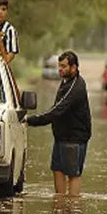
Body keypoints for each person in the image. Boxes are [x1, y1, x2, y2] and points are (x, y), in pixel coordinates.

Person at [23, 51, 91, 196]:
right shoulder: (66, 81)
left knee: (73, 174)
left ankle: (73, 210)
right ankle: (60, 205)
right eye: (59, 66)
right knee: (58, 170)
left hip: (74, 138)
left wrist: (31, 120)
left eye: (64, 66)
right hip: (61, 137)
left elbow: (56, 111)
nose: (60, 69)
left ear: (74, 68)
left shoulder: (76, 87)